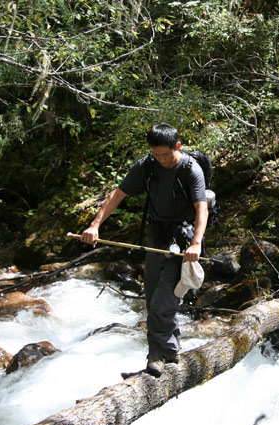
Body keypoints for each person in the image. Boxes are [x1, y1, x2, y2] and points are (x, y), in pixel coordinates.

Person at [79, 124, 208, 376]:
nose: (161, 160)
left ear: (177, 147)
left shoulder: (191, 169)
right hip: (155, 235)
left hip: (182, 239)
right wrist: (95, 225)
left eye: (166, 155)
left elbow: (201, 208)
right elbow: (118, 194)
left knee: (164, 299)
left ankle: (158, 356)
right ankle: (172, 348)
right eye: (156, 154)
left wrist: (196, 243)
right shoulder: (147, 166)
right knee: (151, 296)